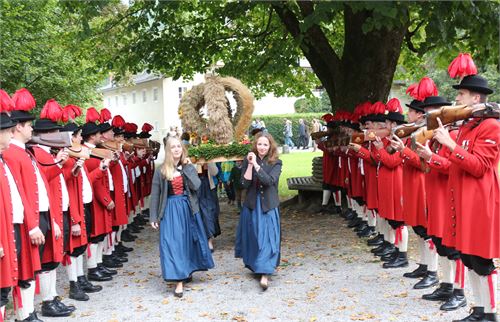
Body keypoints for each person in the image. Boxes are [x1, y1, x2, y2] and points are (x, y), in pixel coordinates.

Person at [433, 74, 499, 322]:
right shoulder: (468, 126)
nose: (456, 98)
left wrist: (450, 145)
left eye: (461, 94)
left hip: (479, 201)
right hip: (462, 199)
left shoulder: (491, 126)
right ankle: (480, 308)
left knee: (481, 260)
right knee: (469, 257)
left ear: (476, 97)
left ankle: (491, 313)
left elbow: (480, 166)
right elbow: (455, 165)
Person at [149, 136, 214, 298]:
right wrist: (153, 217)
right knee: (172, 244)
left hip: (187, 209)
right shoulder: (161, 170)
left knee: (186, 242)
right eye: (173, 147)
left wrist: (187, 169)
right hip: (170, 210)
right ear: (168, 151)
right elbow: (155, 195)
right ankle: (178, 281)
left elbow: (197, 186)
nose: (177, 149)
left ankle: (186, 270)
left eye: (179, 146)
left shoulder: (188, 167)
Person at [235, 132, 282, 291]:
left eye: (265, 145)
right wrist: (249, 165)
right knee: (254, 237)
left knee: (267, 239)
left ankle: (265, 273)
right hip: (252, 205)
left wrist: (256, 165)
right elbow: (244, 184)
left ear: (270, 147)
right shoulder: (248, 161)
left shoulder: (276, 163)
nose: (262, 147)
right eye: (259, 144)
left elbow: (269, 181)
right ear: (256, 145)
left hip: (268, 206)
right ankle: (258, 267)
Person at [197, 162, 221, 252]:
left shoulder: (208, 155)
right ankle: (199, 241)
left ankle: (209, 241)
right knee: (197, 213)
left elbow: (215, 172)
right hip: (195, 188)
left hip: (208, 188)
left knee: (209, 213)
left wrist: (209, 162)